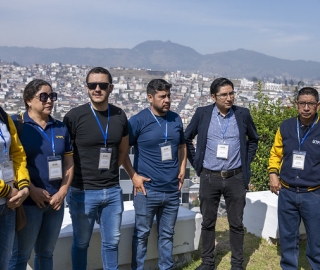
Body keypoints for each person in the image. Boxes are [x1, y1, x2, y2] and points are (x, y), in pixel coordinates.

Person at [184, 77, 259, 270]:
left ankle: (237, 264)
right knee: (208, 222)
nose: (229, 98)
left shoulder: (243, 114)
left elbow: (253, 139)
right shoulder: (203, 114)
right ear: (213, 96)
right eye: (224, 94)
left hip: (235, 177)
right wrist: (197, 164)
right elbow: (187, 138)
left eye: (231, 93)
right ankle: (208, 262)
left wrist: (246, 162)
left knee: (236, 223)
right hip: (209, 176)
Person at [63, 67, 129, 270]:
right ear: (87, 88)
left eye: (102, 85)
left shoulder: (119, 115)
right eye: (93, 85)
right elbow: (66, 155)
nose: (97, 89)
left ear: (111, 88)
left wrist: (107, 173)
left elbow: (122, 151)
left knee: (112, 243)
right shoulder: (75, 116)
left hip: (112, 190)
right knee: (81, 243)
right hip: (82, 191)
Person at [9, 79, 74, 270]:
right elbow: (10, 162)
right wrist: (30, 189)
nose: (49, 101)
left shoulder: (60, 127)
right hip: (28, 201)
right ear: (28, 100)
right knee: (20, 256)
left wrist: (63, 191)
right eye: (43, 96)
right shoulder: (18, 124)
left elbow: (69, 163)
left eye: (52, 96)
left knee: (46, 254)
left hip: (55, 202)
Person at [122, 78, 187, 270]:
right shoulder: (137, 120)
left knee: (167, 234)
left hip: (172, 190)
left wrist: (182, 168)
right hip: (147, 189)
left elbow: (182, 146)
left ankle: (166, 267)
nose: (167, 100)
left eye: (168, 96)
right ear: (150, 98)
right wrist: (133, 176)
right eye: (162, 96)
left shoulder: (175, 119)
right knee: (141, 235)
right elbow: (123, 152)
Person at [268, 87, 320, 269]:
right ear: (296, 104)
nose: (306, 108)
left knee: (316, 241)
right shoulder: (286, 126)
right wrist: (273, 173)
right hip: (287, 192)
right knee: (288, 239)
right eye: (302, 103)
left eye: (311, 104)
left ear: (318, 105)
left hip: (314, 195)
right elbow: (275, 153)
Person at [0, 107, 30, 270]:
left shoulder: (3, 116)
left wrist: (24, 186)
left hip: (8, 205)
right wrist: (7, 190)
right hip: (9, 195)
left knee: (4, 264)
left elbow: (18, 153)